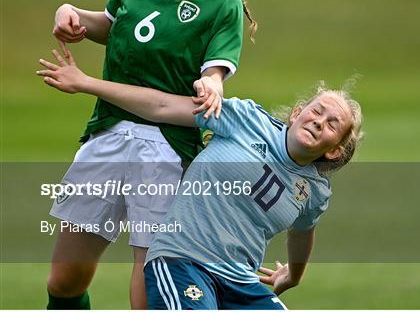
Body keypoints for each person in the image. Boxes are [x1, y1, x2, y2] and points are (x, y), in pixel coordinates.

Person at [45, 0, 257, 310]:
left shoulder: (222, 1)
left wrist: (212, 83)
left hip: (167, 154)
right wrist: (71, 14)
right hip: (107, 134)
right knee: (64, 281)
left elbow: (215, 71)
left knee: (146, 298)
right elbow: (112, 24)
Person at [37, 47, 363, 310]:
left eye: (333, 124)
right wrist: (86, 83)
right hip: (183, 260)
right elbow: (163, 107)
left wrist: (293, 275)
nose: (320, 122)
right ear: (297, 113)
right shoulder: (244, 119)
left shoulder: (315, 190)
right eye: (317, 111)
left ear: (334, 150)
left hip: (239, 279)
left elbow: (303, 232)